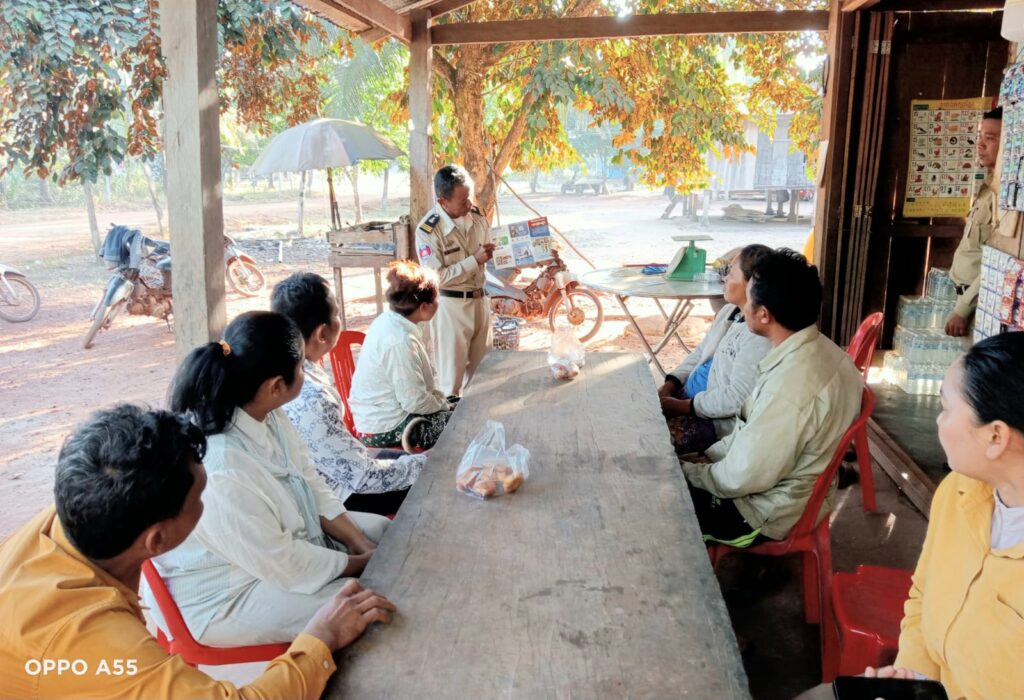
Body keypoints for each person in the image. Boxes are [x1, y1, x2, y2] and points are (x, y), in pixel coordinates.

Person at [0, 405, 395, 699]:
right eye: (200, 498)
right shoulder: (94, 648)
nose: (207, 502)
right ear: (157, 541)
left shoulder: (77, 513)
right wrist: (321, 638)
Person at [798, 333, 1024, 700]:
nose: (937, 421)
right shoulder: (959, 492)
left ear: (996, 437)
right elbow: (922, 593)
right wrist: (915, 678)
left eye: (946, 408)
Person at [149, 311, 392, 646]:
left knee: (384, 531)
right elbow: (285, 563)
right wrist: (359, 563)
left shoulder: (265, 410)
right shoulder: (222, 467)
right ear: (276, 386)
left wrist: (357, 541)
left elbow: (307, 478)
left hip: (273, 550)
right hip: (228, 592)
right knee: (368, 600)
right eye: (302, 367)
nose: (308, 371)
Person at [680, 249, 863, 546]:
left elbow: (742, 477)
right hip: (781, 486)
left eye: (749, 298)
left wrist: (690, 473)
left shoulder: (790, 386)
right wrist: (709, 457)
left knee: (658, 502)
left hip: (759, 513)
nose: (744, 307)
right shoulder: (820, 350)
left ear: (764, 314)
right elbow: (751, 433)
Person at [272, 272, 428, 516]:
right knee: (431, 482)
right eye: (336, 314)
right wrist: (425, 464)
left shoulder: (290, 368)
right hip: (336, 496)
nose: (340, 320)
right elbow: (362, 477)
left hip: (343, 465)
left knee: (408, 460)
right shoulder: (311, 395)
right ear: (322, 333)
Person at [658, 244, 773, 454]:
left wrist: (683, 406)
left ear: (751, 284)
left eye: (731, 273)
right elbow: (700, 353)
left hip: (714, 421)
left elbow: (736, 398)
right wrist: (671, 384)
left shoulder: (758, 335)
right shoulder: (729, 312)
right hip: (687, 398)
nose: (724, 278)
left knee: (652, 440)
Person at [349, 261, 456, 451]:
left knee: (461, 403)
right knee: (463, 420)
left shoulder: (389, 320)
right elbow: (415, 402)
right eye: (437, 298)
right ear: (424, 307)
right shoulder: (400, 341)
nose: (438, 303)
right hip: (385, 427)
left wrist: (444, 402)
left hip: (385, 414)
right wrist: (444, 404)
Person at [415, 164, 495, 396]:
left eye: (469, 197)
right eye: (462, 201)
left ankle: (480, 419)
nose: (469, 204)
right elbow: (436, 277)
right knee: (451, 382)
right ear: (442, 201)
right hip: (451, 308)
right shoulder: (428, 231)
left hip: (480, 301)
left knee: (484, 377)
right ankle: (451, 420)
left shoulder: (477, 218)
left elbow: (493, 249)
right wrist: (474, 260)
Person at [945, 106, 1001, 337]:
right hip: (966, 299)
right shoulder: (988, 188)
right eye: (980, 136)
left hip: (978, 305)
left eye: (990, 138)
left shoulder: (1005, 198)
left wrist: (962, 309)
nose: (980, 144)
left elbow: (997, 262)